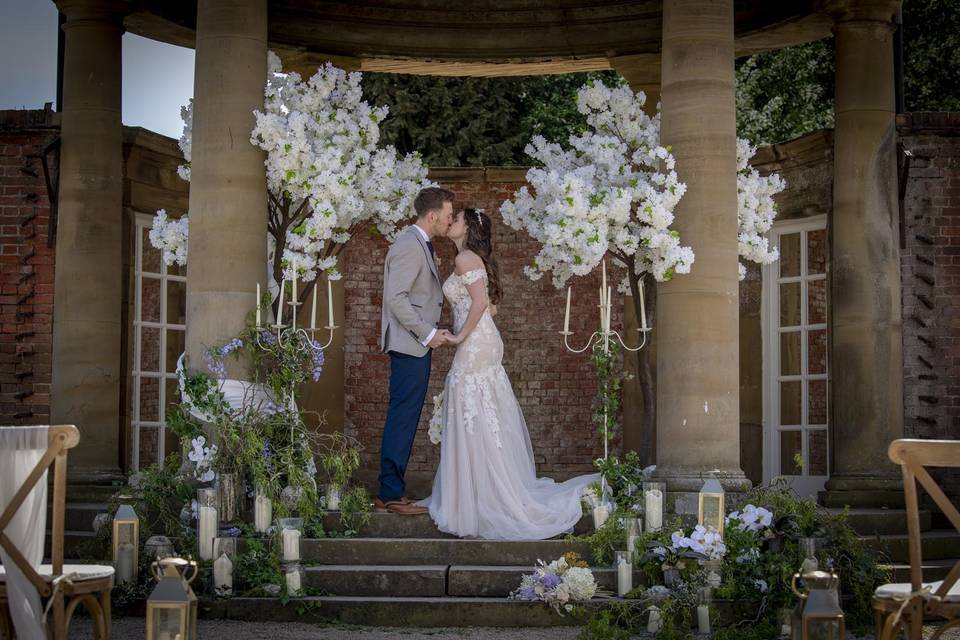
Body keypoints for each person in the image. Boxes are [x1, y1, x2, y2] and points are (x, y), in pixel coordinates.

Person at [418, 207, 598, 539]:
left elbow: (480, 304)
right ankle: (478, 494)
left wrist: (458, 335)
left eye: (456, 219)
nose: (450, 223)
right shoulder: (472, 259)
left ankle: (479, 498)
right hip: (483, 339)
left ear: (468, 228)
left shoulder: (465, 259)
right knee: (482, 414)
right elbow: (489, 303)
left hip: (475, 342)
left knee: (472, 409)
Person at [376, 187, 455, 515]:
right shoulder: (410, 244)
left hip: (413, 346)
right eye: (448, 216)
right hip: (411, 346)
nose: (450, 222)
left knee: (405, 415)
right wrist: (429, 333)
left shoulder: (419, 243)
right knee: (403, 417)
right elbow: (397, 299)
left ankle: (391, 491)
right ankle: (390, 494)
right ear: (433, 215)